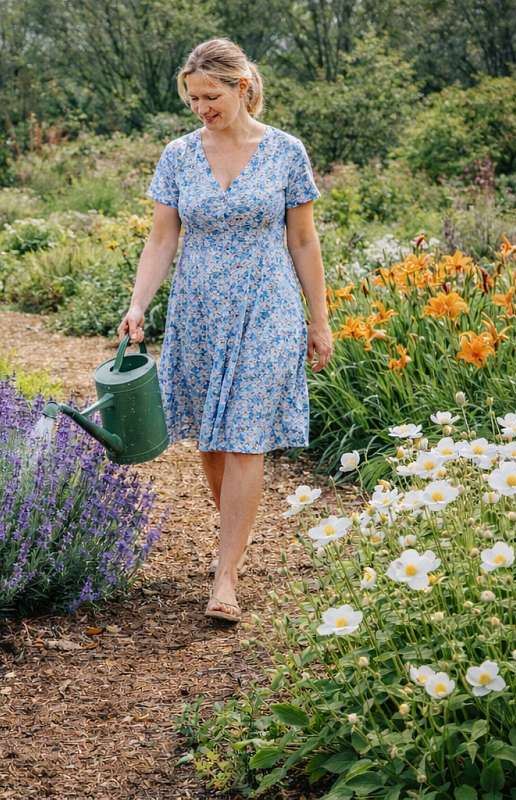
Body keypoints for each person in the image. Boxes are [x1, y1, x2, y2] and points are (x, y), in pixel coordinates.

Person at [117, 38, 333, 624]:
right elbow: (162, 238)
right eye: (192, 99)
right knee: (212, 442)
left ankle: (226, 574)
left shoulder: (287, 152)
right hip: (198, 310)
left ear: (241, 87)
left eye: (210, 96)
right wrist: (139, 304)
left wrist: (320, 319)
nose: (201, 108)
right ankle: (232, 533)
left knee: (244, 438)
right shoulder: (179, 155)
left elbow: (304, 240)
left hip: (268, 307)